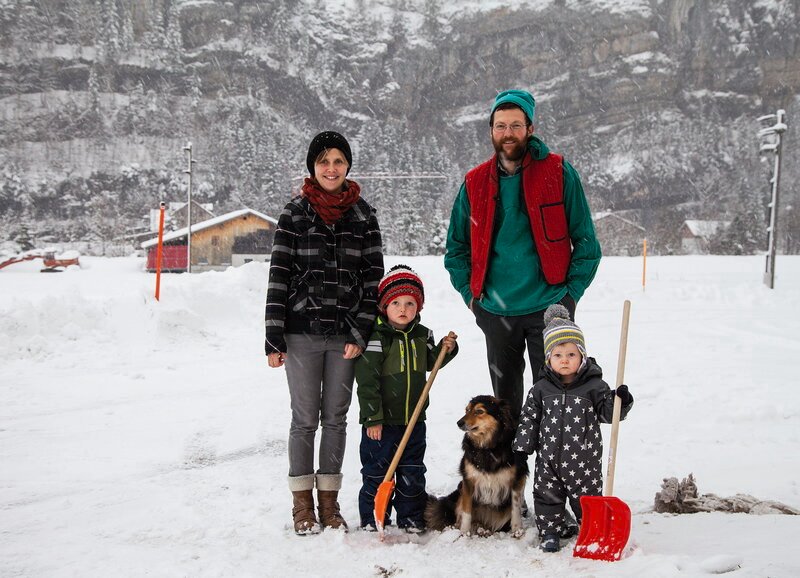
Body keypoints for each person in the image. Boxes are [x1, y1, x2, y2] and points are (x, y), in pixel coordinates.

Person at [444, 89, 601, 420]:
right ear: (491, 131)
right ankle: (513, 472)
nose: (508, 133)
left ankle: (553, 471)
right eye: (500, 126)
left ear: (530, 128)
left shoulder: (557, 172)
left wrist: (569, 297)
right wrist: (472, 298)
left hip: (549, 310)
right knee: (506, 412)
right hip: (496, 312)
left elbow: (586, 242)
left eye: (515, 125)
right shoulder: (474, 183)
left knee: (557, 403)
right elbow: (456, 249)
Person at [265, 131, 384, 535]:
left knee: (336, 418)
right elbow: (278, 276)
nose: (331, 168)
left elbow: (373, 280)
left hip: (346, 336)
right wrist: (273, 336)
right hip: (301, 333)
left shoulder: (364, 215)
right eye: (323, 162)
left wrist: (360, 329)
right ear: (313, 168)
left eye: (338, 161)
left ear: (347, 166)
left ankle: (329, 505)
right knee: (304, 419)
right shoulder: (294, 213)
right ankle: (302, 506)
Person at [512, 304, 634, 552]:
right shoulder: (541, 389)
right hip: (549, 460)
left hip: (585, 461)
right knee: (547, 497)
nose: (564, 360)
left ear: (582, 356)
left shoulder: (594, 387)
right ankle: (549, 533)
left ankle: (592, 528)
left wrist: (620, 400)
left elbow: (608, 413)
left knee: (586, 499)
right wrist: (522, 446)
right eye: (557, 355)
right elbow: (529, 418)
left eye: (571, 354)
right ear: (548, 359)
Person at [355, 265, 458, 532]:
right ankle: (372, 518)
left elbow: (431, 364)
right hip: (382, 423)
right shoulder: (376, 337)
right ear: (384, 306)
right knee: (378, 472)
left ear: (419, 307)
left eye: (410, 303)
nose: (403, 309)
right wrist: (372, 417)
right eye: (396, 302)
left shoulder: (422, 335)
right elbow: (367, 381)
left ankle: (411, 517)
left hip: (414, 420)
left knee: (412, 471)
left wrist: (447, 350)